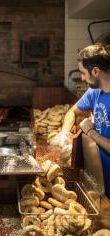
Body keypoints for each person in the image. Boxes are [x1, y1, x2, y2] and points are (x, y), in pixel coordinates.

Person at [51, 43, 110, 198]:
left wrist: (90, 132)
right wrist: (64, 133)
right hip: (98, 174)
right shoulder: (95, 92)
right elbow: (72, 112)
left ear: (96, 71)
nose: (82, 78)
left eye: (83, 73)